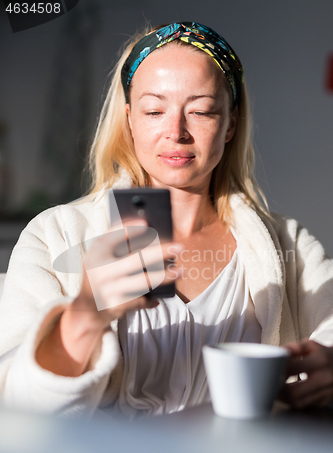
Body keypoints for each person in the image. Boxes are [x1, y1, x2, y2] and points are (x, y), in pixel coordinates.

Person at [1, 22, 333, 418]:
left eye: (201, 111)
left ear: (229, 124)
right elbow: (15, 407)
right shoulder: (53, 235)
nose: (175, 132)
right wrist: (85, 316)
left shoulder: (288, 243)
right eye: (155, 110)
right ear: (129, 120)